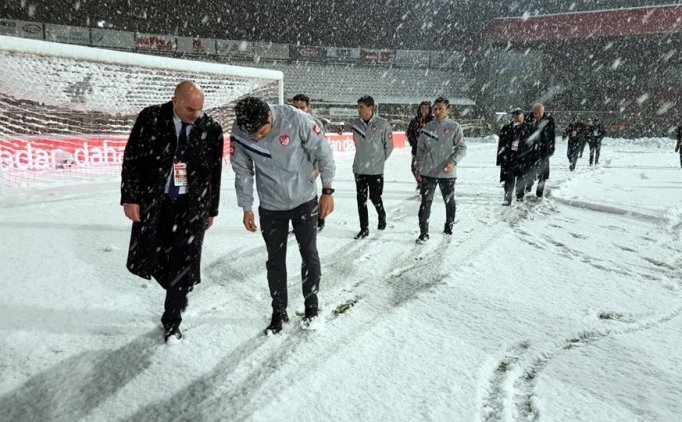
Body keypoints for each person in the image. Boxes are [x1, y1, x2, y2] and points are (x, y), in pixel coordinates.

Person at [120, 81, 224, 343]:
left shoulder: (210, 129)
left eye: (199, 109)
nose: (195, 114)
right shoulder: (151, 118)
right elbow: (132, 159)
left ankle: (172, 319)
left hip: (191, 207)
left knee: (182, 263)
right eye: (189, 109)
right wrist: (130, 198)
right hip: (156, 203)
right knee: (153, 257)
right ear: (175, 101)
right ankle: (174, 285)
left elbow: (215, 173)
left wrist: (211, 208)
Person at [230, 97, 335, 334]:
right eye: (252, 134)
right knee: (275, 260)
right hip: (270, 206)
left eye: (261, 132)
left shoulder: (296, 120)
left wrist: (327, 190)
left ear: (269, 117)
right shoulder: (240, 131)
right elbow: (242, 171)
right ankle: (279, 311)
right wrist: (246, 207)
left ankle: (311, 307)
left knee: (309, 254)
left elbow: (324, 153)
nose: (256, 137)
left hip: (304, 201)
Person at [414, 97, 467, 243]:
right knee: (426, 202)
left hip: (447, 172)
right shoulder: (426, 128)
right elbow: (420, 150)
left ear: (448, 109)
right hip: (428, 172)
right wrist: (418, 167)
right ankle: (423, 233)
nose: (436, 111)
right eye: (435, 108)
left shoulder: (454, 127)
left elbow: (462, 148)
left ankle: (449, 226)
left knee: (449, 201)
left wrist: (452, 162)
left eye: (440, 108)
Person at [350, 95, 394, 239]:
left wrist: (379, 161)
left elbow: (389, 147)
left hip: (376, 170)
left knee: (375, 197)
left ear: (371, 108)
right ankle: (364, 228)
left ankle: (382, 215)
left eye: (361, 107)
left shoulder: (383, 124)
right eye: (358, 107)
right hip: (359, 169)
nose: (359, 110)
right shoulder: (355, 124)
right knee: (360, 200)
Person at [291, 93, 328, 231]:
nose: (299, 110)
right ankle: (298, 223)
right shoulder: (287, 123)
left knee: (310, 194)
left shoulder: (315, 124)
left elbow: (322, 149)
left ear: (308, 107)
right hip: (293, 166)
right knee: (295, 195)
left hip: (309, 165)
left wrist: (318, 167)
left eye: (302, 107)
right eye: (296, 107)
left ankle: (319, 220)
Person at [497, 108, 532, 205]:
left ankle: (520, 196)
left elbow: (532, 143)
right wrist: (500, 158)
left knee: (522, 178)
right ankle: (507, 198)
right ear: (513, 117)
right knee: (509, 179)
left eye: (520, 116)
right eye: (516, 116)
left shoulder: (528, 128)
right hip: (509, 158)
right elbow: (501, 144)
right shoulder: (506, 128)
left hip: (523, 157)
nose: (518, 118)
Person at [525, 103, 555, 198]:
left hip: (544, 149)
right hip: (531, 150)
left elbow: (552, 136)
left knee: (543, 173)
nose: (536, 115)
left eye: (539, 113)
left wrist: (551, 148)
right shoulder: (528, 119)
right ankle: (528, 186)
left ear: (543, 112)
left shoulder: (549, 120)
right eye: (535, 113)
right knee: (530, 170)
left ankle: (539, 192)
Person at [406, 101, 433, 192]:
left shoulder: (433, 121)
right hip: (416, 148)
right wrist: (414, 143)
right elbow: (409, 133)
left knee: (427, 168)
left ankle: (426, 185)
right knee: (414, 167)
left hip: (429, 149)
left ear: (429, 109)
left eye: (426, 108)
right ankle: (420, 183)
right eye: (422, 108)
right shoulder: (415, 121)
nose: (424, 110)